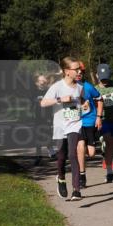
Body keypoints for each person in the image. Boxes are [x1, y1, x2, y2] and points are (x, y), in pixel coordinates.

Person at [40, 56, 88, 202]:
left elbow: (82, 102)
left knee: (73, 154)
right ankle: (61, 178)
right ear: (67, 71)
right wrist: (60, 99)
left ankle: (76, 190)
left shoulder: (80, 87)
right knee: (61, 157)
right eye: (76, 69)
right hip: (60, 127)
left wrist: (85, 106)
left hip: (75, 124)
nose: (79, 71)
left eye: (79, 69)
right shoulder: (57, 87)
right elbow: (43, 103)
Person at [75, 63, 103, 188]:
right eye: (77, 72)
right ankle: (82, 175)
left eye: (81, 72)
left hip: (90, 121)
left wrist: (98, 117)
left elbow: (100, 99)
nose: (79, 74)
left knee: (91, 153)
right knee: (80, 146)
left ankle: (84, 150)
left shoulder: (88, 87)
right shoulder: (67, 87)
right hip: (77, 123)